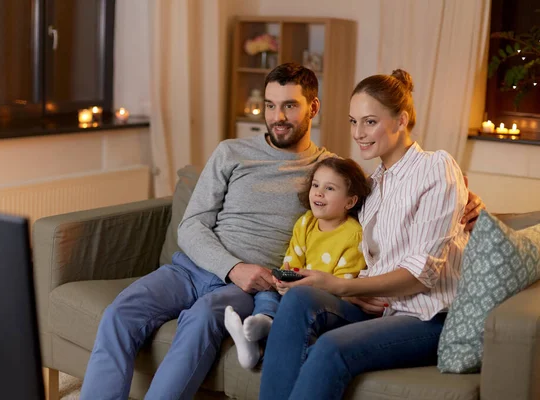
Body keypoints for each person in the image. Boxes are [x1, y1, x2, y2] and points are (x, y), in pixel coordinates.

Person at [80, 64, 484, 400]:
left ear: (313, 108)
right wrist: (232, 265)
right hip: (195, 267)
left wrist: (468, 199)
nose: (277, 116)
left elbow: (406, 199)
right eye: (270, 106)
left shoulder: (332, 170)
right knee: (121, 312)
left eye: (289, 105)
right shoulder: (232, 153)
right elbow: (191, 225)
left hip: (260, 285)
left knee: (210, 317)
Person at [259, 69, 473, 400]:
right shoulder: (371, 185)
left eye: (369, 122)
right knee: (301, 298)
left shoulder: (436, 167)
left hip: (426, 318)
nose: (358, 133)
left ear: (401, 121)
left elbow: (422, 274)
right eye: (352, 121)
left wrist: (343, 286)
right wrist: (352, 290)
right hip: (376, 308)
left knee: (329, 347)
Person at [224, 156, 370, 369]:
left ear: (350, 201)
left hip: (328, 303)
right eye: (316, 185)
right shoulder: (306, 222)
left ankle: (264, 335)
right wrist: (284, 280)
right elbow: (292, 262)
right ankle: (261, 328)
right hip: (297, 292)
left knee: (298, 304)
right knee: (267, 291)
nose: (319, 193)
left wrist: (299, 288)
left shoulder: (353, 235)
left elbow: (342, 286)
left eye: (330, 188)